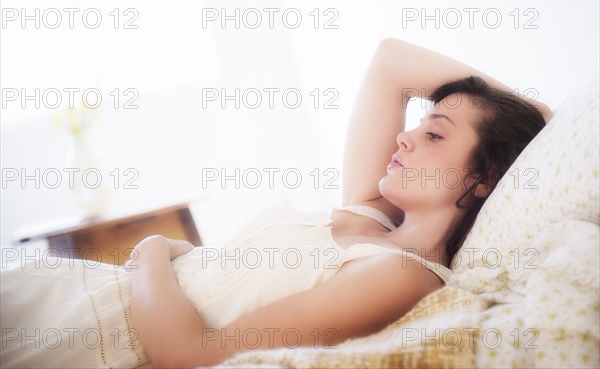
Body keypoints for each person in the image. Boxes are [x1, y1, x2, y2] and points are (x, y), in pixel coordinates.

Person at [0, 39, 549, 368]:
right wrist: (532, 113)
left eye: (435, 136)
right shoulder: (369, 219)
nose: (405, 139)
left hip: (88, 336)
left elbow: (194, 356)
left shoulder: (404, 275)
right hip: (73, 297)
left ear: (486, 176)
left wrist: (148, 252)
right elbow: (390, 62)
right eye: (418, 127)